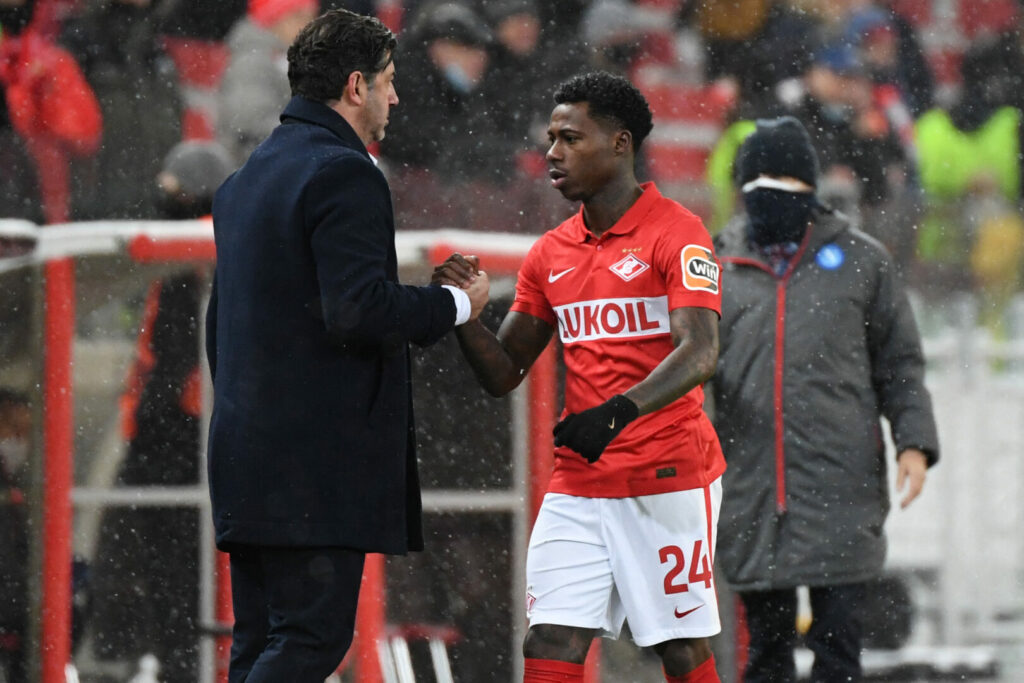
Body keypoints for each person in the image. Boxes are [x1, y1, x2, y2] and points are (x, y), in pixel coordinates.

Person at [205, 9, 489, 681]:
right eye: (389, 82)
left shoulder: (243, 182)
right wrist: (454, 303)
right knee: (309, 640)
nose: (396, 98)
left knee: (258, 643)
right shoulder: (345, 171)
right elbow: (357, 309)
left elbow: (224, 325)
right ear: (356, 86)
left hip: (246, 454)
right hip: (312, 467)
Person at [432, 71, 724, 683]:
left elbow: (699, 353)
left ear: (620, 144)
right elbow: (504, 371)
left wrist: (618, 412)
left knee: (677, 648)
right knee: (551, 640)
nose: (552, 153)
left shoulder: (679, 233)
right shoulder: (550, 253)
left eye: (571, 138)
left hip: (666, 474)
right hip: (580, 482)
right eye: (550, 138)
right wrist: (463, 315)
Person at [710, 116, 939, 682]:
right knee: (764, 656)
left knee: (839, 656)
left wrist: (914, 442)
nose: (769, 197)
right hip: (751, 493)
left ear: (810, 189)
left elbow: (900, 364)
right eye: (757, 183)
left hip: (842, 489)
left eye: (784, 183)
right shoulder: (713, 266)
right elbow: (689, 372)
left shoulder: (864, 263)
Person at [89, 141, 233, 683]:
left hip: (177, 429)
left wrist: (152, 414)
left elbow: (174, 345)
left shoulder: (192, 250)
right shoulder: (211, 245)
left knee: (160, 561)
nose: (162, 196)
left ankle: (156, 659)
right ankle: (165, 657)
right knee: (173, 563)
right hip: (188, 427)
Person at [217, 0, 318, 167]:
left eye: (312, 17)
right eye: (298, 16)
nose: (308, 25)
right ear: (273, 20)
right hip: (260, 176)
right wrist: (312, 135)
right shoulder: (253, 62)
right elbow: (249, 122)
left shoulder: (291, 59)